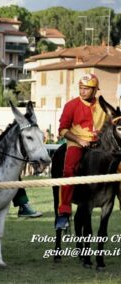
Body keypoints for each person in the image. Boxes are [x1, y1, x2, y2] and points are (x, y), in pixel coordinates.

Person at [55, 73, 106, 230]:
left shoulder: (102, 106)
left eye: (86, 89)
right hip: (76, 143)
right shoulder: (71, 105)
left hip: (98, 145)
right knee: (68, 170)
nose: (82, 91)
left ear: (95, 90)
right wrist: (79, 140)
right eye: (80, 88)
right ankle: (64, 212)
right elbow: (62, 130)